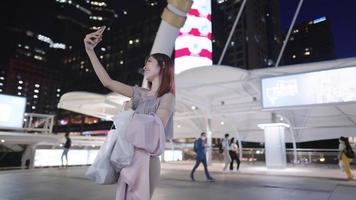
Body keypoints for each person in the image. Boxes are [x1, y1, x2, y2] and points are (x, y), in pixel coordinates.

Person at [84, 26, 175, 199]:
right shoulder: (140, 93)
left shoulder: (168, 97)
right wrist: (90, 51)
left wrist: (127, 113)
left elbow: (156, 125)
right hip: (128, 157)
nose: (145, 65)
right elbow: (107, 82)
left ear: (162, 65)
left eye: (149, 62)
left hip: (148, 161)